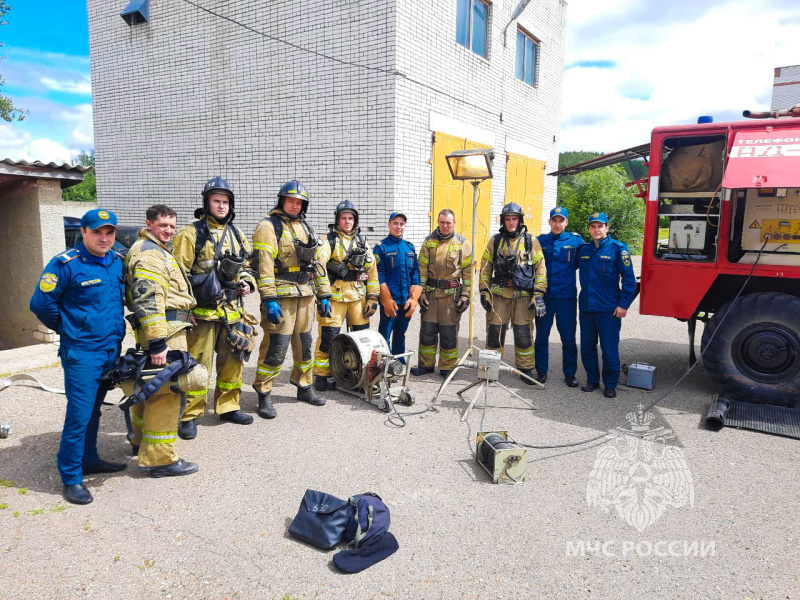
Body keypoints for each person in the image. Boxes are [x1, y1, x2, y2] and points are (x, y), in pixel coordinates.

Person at [30, 209, 126, 505]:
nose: (104, 238)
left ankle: (89, 458)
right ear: (83, 232)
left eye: (109, 232)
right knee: (79, 415)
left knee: (96, 410)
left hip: (110, 348)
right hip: (83, 352)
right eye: (97, 231)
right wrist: (70, 328)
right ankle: (71, 477)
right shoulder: (65, 263)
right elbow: (41, 305)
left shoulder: (116, 262)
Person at [172, 177, 256, 439]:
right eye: (216, 201)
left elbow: (249, 266)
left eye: (225, 202)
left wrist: (246, 283)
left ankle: (228, 407)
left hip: (232, 312)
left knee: (233, 363)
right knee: (198, 367)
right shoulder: (190, 233)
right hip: (202, 314)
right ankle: (191, 415)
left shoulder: (237, 233)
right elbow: (178, 276)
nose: (221, 206)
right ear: (206, 203)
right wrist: (183, 317)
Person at [125, 204, 199, 477]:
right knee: (167, 394)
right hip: (165, 333)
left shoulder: (154, 249)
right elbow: (148, 299)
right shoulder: (151, 255)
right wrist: (158, 343)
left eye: (171, 225)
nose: (168, 230)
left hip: (164, 329)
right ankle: (160, 460)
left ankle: (139, 441)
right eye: (163, 225)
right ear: (149, 224)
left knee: (149, 389)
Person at [251, 180, 333, 418]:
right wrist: (268, 299)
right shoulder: (268, 226)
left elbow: (318, 265)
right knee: (276, 346)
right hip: (281, 296)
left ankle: (304, 386)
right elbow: (263, 265)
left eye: (299, 203)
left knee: (305, 345)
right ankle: (263, 392)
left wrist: (324, 294)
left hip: (305, 295)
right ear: (281, 201)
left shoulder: (307, 227)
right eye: (291, 201)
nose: (295, 206)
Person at [313, 200, 380, 391]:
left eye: (351, 218)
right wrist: (323, 295)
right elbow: (319, 268)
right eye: (344, 218)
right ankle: (322, 376)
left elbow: (372, 271)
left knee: (361, 339)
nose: (347, 221)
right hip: (334, 298)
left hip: (358, 299)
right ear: (337, 220)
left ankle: (356, 373)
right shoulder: (328, 241)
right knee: (327, 338)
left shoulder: (362, 242)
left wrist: (373, 297)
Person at [478, 202, 547, 383]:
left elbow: (540, 269)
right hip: (499, 296)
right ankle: (490, 369)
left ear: (520, 219)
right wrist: (484, 291)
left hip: (523, 298)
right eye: (507, 219)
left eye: (514, 219)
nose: (511, 223)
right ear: (503, 220)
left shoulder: (531, 241)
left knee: (524, 334)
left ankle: (525, 369)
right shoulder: (496, 240)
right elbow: (485, 268)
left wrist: (538, 294)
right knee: (494, 333)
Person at [576, 212, 637, 398]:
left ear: (607, 228)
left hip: (608, 309)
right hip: (586, 307)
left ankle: (610, 383)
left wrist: (624, 304)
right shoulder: (584, 250)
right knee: (587, 346)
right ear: (589, 229)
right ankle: (592, 380)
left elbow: (629, 279)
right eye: (593, 226)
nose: (596, 229)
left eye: (600, 226)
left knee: (609, 349)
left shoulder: (618, 249)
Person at [410, 209, 472, 378]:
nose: (445, 226)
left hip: (450, 297)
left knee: (448, 333)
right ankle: (426, 365)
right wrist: (420, 293)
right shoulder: (428, 241)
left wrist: (465, 296)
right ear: (438, 222)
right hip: (430, 295)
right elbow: (421, 269)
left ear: (454, 224)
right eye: (442, 222)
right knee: (427, 332)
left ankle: (447, 367)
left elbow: (467, 272)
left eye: (448, 223)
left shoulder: (462, 243)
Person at [534, 206, 585, 387]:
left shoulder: (576, 242)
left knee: (568, 338)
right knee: (541, 337)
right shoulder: (540, 241)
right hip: (545, 297)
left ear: (566, 222)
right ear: (549, 222)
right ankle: (541, 371)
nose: (557, 224)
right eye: (554, 220)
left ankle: (569, 374)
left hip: (566, 298)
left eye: (561, 220)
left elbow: (581, 263)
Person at [373, 212, 422, 363]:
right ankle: (384, 365)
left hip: (405, 301)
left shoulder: (409, 248)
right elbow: (378, 274)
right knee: (384, 335)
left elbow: (415, 273)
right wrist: (385, 298)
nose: (398, 226)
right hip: (391, 302)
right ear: (389, 225)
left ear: (404, 226)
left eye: (401, 224)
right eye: (395, 223)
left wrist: (414, 299)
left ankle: (399, 363)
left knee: (400, 334)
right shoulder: (381, 248)